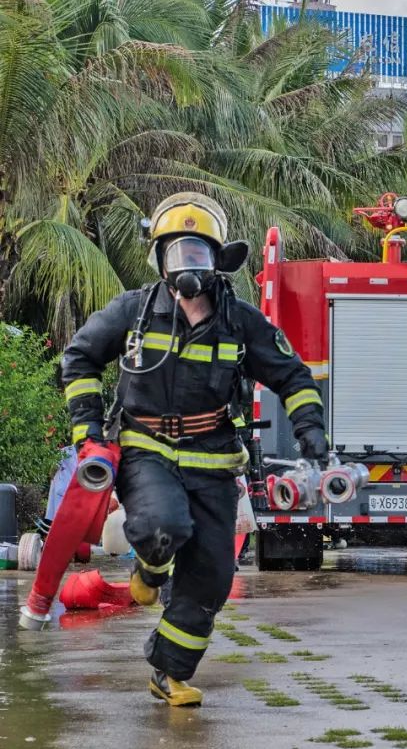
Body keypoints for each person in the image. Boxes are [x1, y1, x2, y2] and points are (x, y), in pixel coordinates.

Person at [61, 193, 328, 705]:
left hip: (214, 459)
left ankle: (169, 671)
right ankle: (151, 567)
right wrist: (87, 432)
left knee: (213, 578)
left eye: (198, 253)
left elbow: (293, 376)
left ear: (217, 260)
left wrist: (310, 430)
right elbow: (79, 360)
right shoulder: (133, 312)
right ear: (160, 261)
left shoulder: (240, 322)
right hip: (147, 450)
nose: (187, 265)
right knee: (163, 526)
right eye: (177, 253)